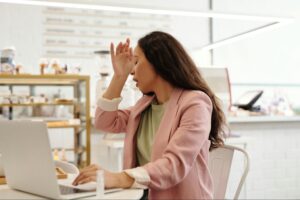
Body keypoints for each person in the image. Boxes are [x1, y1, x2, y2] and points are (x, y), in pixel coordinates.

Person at [73, 31, 225, 199]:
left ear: (158, 62)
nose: (132, 71)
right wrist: (119, 76)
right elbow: (104, 121)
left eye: (136, 62)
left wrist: (119, 177)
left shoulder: (195, 103)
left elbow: (173, 165)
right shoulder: (145, 105)